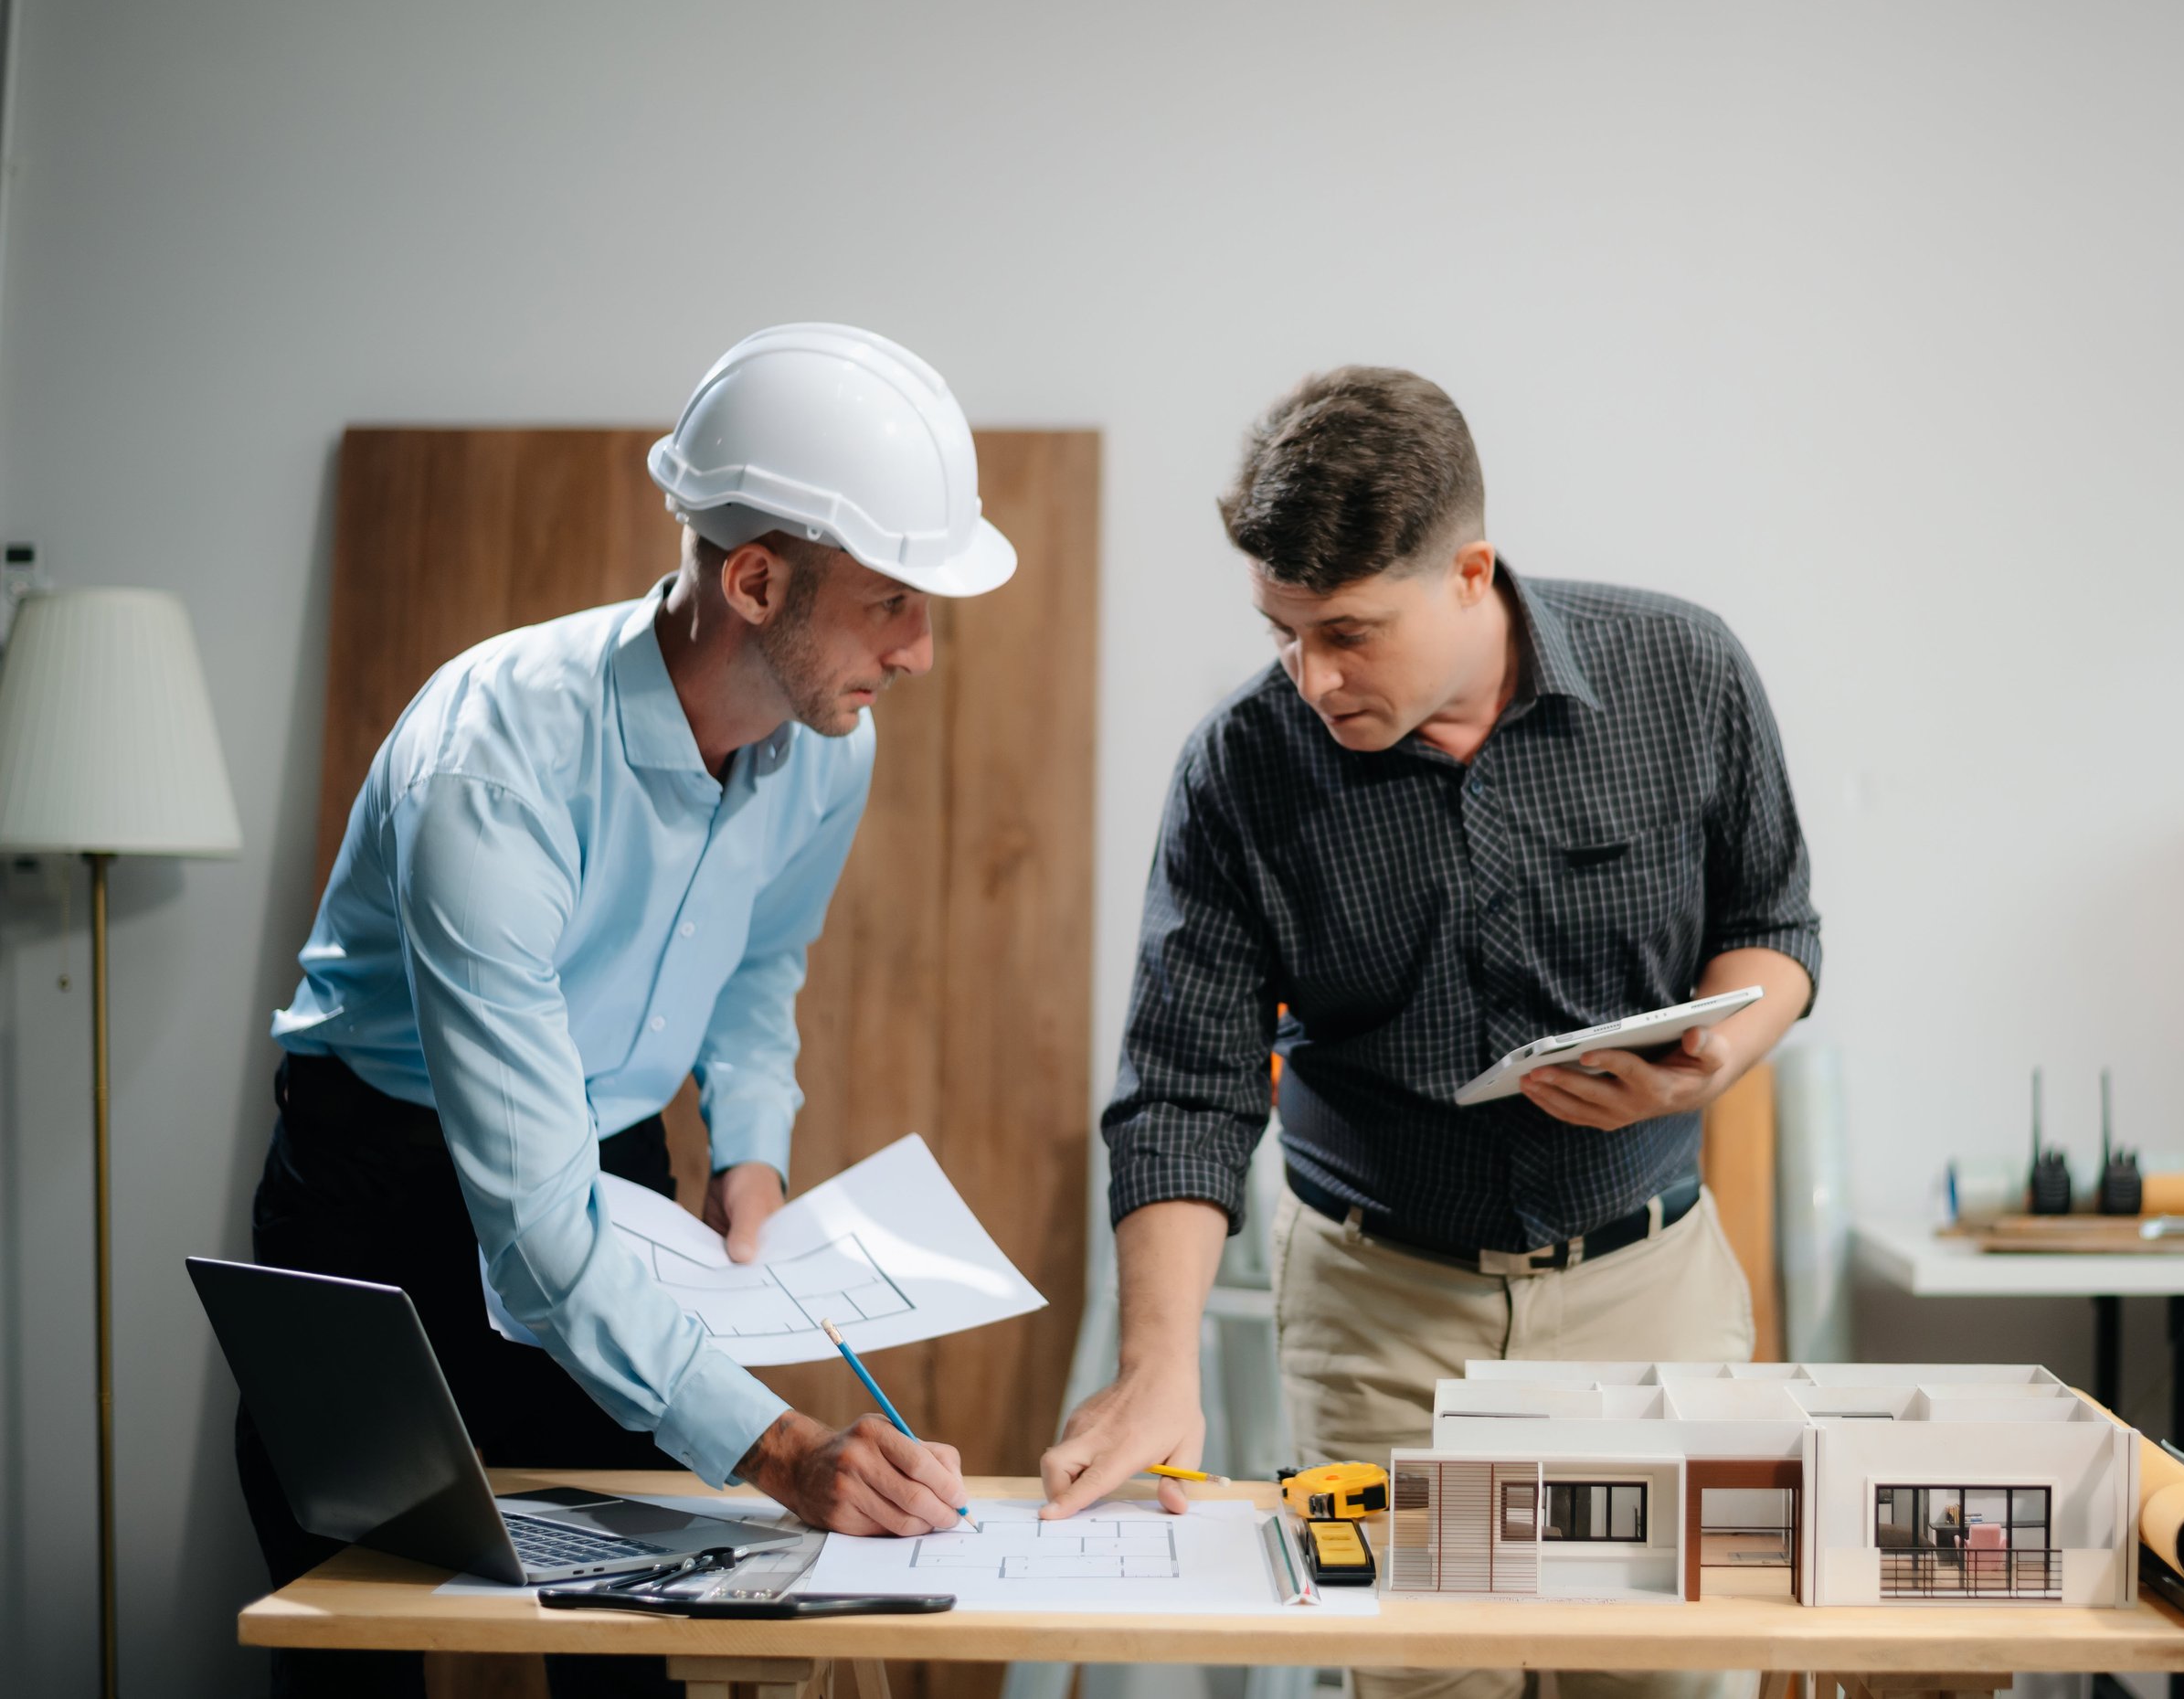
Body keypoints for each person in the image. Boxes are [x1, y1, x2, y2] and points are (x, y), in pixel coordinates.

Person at [237, 324, 1016, 1697]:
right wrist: (782, 1449)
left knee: (631, 1647)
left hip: (611, 1155)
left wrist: (750, 1156)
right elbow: (532, 1233)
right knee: (349, 1634)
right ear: (757, 579)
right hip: (373, 1186)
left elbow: (758, 967)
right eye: (894, 601)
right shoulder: (493, 767)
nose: (920, 653)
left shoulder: (831, 743)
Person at [1043, 366, 1819, 1699]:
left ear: (1472, 571)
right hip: (1380, 1316)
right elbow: (1183, 1086)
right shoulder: (1242, 766)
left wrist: (1720, 1054)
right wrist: (1157, 1367)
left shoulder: (1685, 673)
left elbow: (1775, 927)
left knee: (1668, 1683)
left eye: (1348, 630)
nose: (1313, 675)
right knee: (1420, 1685)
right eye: (1283, 632)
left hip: (1651, 1298)